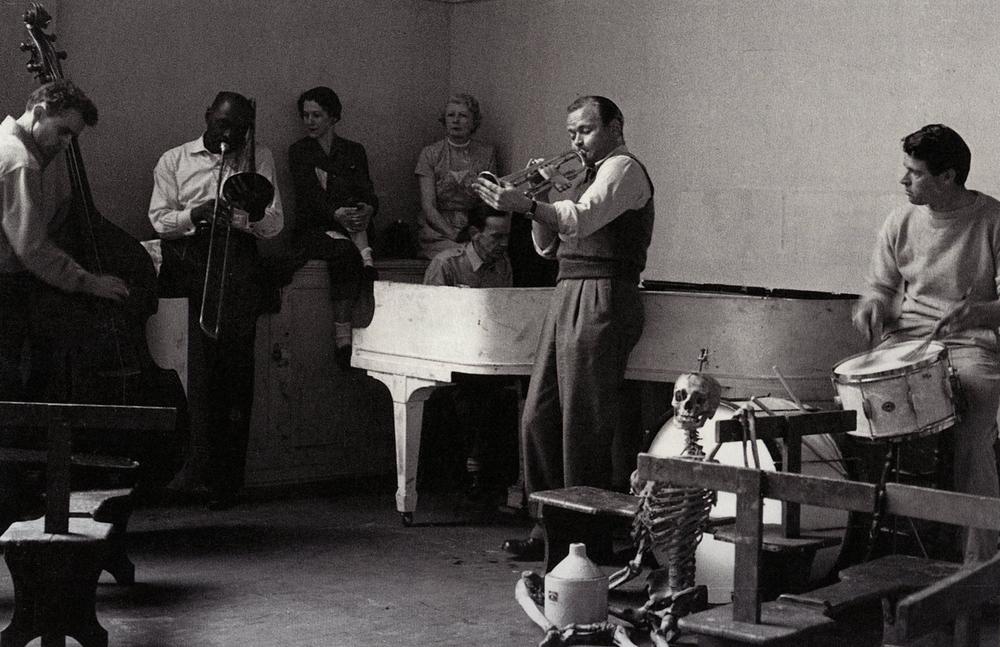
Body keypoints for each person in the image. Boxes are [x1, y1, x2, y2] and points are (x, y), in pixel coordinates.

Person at [473, 95, 654, 558]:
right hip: (569, 289)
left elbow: (582, 219)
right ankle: (549, 525)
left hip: (604, 292)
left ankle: (584, 540)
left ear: (615, 126)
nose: (576, 141)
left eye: (586, 130)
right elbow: (548, 248)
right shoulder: (585, 175)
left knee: (582, 422)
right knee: (539, 415)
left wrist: (530, 206)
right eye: (571, 132)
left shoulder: (622, 169)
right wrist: (536, 199)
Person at [852, 124, 1000, 564]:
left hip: (973, 347)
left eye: (914, 173)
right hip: (909, 343)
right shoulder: (900, 221)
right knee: (856, 415)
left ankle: (980, 568)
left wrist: (980, 312)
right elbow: (880, 287)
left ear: (948, 176)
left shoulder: (993, 220)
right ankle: (873, 553)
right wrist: (872, 307)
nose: (903, 181)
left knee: (971, 437)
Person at [149, 91, 283, 510]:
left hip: (238, 267)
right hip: (189, 262)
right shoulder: (174, 159)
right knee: (188, 374)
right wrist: (196, 215)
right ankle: (179, 473)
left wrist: (243, 216)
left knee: (234, 377)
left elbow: (275, 223)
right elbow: (159, 219)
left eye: (239, 128)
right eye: (223, 125)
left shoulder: (257, 154)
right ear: (207, 117)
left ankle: (227, 482)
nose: (231, 135)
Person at [0, 80, 129, 399]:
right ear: (39, 112)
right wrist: (88, 282)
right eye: (63, 131)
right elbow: (30, 248)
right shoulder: (20, 160)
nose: (67, 143)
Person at [423, 207, 518, 506]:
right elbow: (430, 320)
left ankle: (499, 479)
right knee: (474, 395)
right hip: (450, 357)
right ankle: (472, 475)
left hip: (489, 356)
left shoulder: (503, 264)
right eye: (496, 237)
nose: (503, 244)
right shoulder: (446, 264)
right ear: (476, 235)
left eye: (507, 237)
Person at [288, 86, 378, 369]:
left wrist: (367, 209)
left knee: (354, 229)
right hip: (315, 228)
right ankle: (343, 334)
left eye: (316, 115)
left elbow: (367, 189)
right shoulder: (299, 151)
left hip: (351, 222)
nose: (309, 121)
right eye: (305, 115)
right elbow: (308, 195)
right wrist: (336, 214)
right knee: (343, 252)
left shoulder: (353, 151)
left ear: (333, 117)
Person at [416, 93, 496, 259]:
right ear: (444, 120)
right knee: (462, 255)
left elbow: (488, 201)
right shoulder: (430, 153)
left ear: (474, 121)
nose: (456, 120)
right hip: (437, 231)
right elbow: (428, 205)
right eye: (451, 115)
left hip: (474, 228)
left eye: (463, 116)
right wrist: (452, 234)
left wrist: (474, 231)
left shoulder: (486, 154)